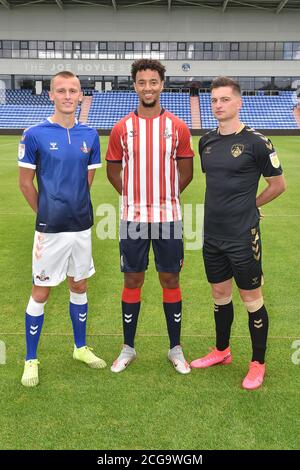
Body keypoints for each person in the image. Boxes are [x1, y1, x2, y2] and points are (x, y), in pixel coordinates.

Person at [190, 77, 286, 390]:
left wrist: (251, 205)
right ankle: (222, 350)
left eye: (225, 99)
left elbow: (277, 185)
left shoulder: (258, 142)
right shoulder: (205, 142)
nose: (218, 105)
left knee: (251, 298)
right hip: (212, 235)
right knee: (219, 296)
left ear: (238, 102)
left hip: (243, 236)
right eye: (214, 100)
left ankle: (258, 362)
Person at [18, 71, 106, 387]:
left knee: (79, 286)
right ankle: (31, 359)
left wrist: (72, 208)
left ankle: (80, 348)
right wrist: (46, 211)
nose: (68, 96)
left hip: (81, 227)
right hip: (50, 230)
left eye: (73, 91)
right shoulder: (34, 134)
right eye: (61, 90)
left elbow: (87, 181)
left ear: (80, 95)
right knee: (41, 291)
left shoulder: (90, 135)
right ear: (51, 95)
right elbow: (25, 183)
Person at [106, 59, 194, 374]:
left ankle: (175, 349)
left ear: (162, 85)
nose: (148, 87)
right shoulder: (121, 128)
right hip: (133, 219)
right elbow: (112, 170)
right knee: (133, 278)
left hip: (168, 218)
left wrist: (164, 197)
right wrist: (133, 196)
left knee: (170, 278)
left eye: (153, 82)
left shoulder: (177, 127)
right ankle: (128, 347)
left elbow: (186, 172)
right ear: (135, 85)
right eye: (142, 82)